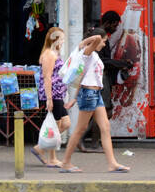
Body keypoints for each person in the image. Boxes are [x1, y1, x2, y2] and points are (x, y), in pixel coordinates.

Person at [56, 30, 130, 173]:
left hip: (95, 94)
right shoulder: (87, 51)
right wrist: (85, 42)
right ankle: (65, 162)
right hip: (89, 94)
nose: (103, 44)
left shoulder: (92, 54)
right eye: (103, 41)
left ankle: (112, 163)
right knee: (80, 129)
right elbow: (96, 38)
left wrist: (73, 98)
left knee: (105, 127)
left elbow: (81, 78)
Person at [91, 9, 131, 152]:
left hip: (101, 77)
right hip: (99, 78)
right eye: (114, 25)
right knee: (104, 111)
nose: (115, 29)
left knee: (102, 111)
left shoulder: (100, 34)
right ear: (108, 23)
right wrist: (120, 63)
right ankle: (92, 142)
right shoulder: (99, 35)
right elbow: (101, 61)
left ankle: (88, 140)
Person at [31, 26, 71, 168]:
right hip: (53, 95)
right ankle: (52, 157)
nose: (63, 42)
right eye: (61, 39)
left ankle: (40, 147)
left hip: (58, 94)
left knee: (65, 123)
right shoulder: (49, 54)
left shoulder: (54, 53)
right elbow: (47, 78)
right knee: (57, 124)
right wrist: (49, 99)